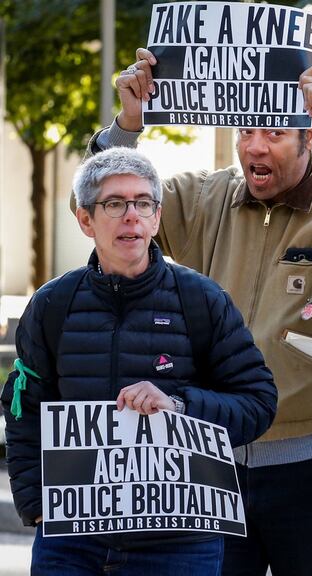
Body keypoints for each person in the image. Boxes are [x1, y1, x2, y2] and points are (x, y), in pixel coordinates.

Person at [80, 48, 312, 576]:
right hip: (210, 464)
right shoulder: (203, 198)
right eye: (245, 130)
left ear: (308, 138)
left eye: (275, 132)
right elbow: (104, 204)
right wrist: (127, 125)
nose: (255, 145)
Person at [1, 148, 278, 575]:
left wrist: (179, 405)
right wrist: (37, 506)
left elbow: (258, 403)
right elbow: (24, 408)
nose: (131, 215)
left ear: (156, 216)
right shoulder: (52, 304)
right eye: (114, 203)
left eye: (143, 203)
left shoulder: (202, 299)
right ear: (85, 220)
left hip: (179, 542)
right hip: (71, 542)